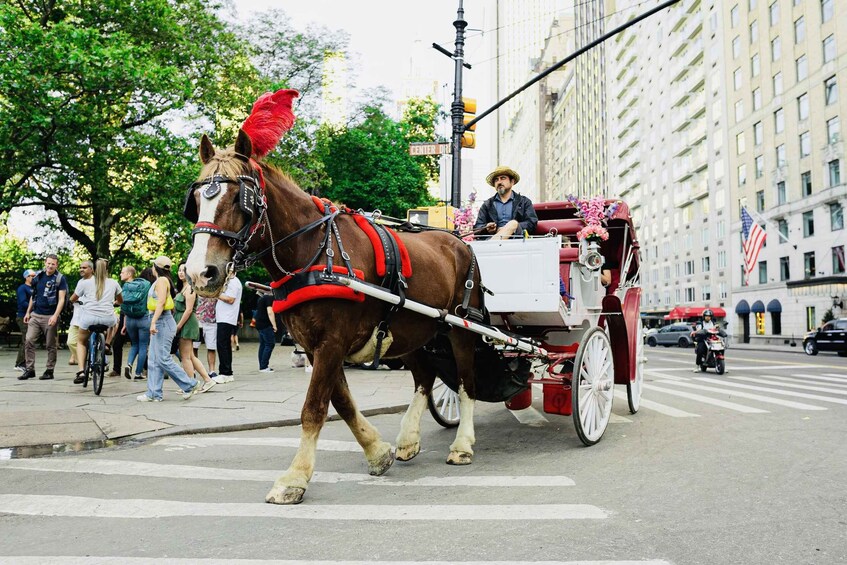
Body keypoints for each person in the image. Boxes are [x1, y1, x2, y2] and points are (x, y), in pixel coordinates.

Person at [137, 256, 203, 402]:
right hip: (162, 322)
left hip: (162, 322)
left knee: (163, 358)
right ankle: (153, 393)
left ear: (155, 267)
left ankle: (190, 384)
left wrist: (153, 322)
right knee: (154, 360)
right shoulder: (164, 281)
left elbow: (160, 303)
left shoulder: (161, 281)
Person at [70, 258, 122, 384]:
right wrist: (114, 303)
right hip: (107, 318)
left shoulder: (84, 283)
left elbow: (73, 298)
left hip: (89, 318)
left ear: (93, 270)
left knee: (81, 342)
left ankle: (81, 371)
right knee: (114, 322)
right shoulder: (114, 283)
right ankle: (107, 344)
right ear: (107, 270)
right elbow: (121, 301)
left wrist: (76, 300)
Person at [20, 254, 69, 381]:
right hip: (36, 314)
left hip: (50, 316)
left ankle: (49, 370)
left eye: (53, 264)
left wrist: (55, 316)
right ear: (45, 263)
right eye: (48, 263)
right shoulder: (38, 276)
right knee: (29, 340)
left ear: (56, 265)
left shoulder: (59, 278)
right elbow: (33, 296)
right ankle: (30, 369)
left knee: (50, 345)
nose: (50, 266)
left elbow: (62, 299)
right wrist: (28, 312)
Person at [175, 263, 216, 392]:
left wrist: (178, 326)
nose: (181, 272)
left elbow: (188, 310)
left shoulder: (190, 289)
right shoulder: (183, 288)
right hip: (183, 322)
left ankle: (190, 385)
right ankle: (206, 381)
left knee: (186, 357)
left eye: (184, 270)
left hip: (187, 324)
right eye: (179, 270)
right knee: (190, 356)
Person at [473, 166, 538, 239]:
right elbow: (477, 229)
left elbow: (532, 223)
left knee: (513, 223)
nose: (499, 182)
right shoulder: (487, 205)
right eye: (496, 180)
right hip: (492, 241)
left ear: (512, 182)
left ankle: (495, 242)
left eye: (503, 178)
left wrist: (512, 228)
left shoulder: (524, 202)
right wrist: (487, 228)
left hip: (518, 241)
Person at [120, 266, 152, 380]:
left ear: (129, 274)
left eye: (122, 272)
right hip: (143, 319)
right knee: (143, 346)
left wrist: (124, 324)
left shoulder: (125, 286)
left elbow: (124, 306)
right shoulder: (146, 286)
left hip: (129, 319)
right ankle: (138, 373)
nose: (120, 274)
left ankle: (129, 364)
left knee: (134, 344)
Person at [212, 273, 242, 384]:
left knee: (222, 344)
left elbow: (230, 299)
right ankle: (227, 372)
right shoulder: (229, 282)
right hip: (223, 317)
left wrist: (215, 294)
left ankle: (225, 372)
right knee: (224, 345)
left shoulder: (233, 282)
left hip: (227, 318)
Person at [14, 269, 36, 371]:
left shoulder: (35, 288)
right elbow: (23, 302)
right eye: (32, 276)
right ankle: (19, 364)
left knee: (28, 340)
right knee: (26, 340)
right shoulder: (22, 288)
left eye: (34, 276)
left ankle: (24, 363)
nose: (34, 277)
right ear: (26, 277)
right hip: (23, 317)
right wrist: (34, 308)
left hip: (32, 316)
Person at [254, 290, 277, 372]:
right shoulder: (269, 298)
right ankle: (264, 366)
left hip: (259, 324)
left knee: (263, 345)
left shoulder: (261, 298)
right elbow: (270, 312)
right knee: (270, 344)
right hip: (265, 324)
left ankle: (262, 366)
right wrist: (274, 325)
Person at [195, 296, 218, 378]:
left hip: (212, 321)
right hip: (197, 320)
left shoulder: (215, 289)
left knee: (211, 347)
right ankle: (193, 370)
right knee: (194, 347)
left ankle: (212, 371)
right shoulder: (195, 287)